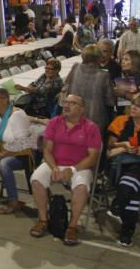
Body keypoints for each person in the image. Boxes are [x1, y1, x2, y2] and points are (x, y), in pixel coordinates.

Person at [28, 94, 102, 245]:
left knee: (81, 188)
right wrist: (54, 167)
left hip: (80, 166)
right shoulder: (54, 122)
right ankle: (43, 220)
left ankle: (72, 226)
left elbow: (93, 157)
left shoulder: (91, 128)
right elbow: (47, 150)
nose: (66, 106)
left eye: (72, 103)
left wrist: (73, 170)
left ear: (82, 109)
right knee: (36, 179)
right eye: (65, 102)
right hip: (54, 163)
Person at [105, 93, 140, 246]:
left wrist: (122, 148)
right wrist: (125, 147)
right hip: (118, 165)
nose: (134, 107)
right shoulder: (120, 121)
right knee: (132, 186)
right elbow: (110, 145)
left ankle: (118, 206)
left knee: (133, 176)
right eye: (134, 104)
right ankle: (127, 228)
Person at [61, 44, 112, 130]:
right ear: (98, 58)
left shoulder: (75, 68)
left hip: (73, 116)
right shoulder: (104, 75)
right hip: (95, 119)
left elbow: (66, 86)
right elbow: (109, 101)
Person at [113, 49, 140, 114]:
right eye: (122, 59)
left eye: (126, 59)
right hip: (120, 113)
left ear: (135, 62)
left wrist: (124, 94)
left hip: (135, 114)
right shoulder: (120, 75)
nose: (122, 62)